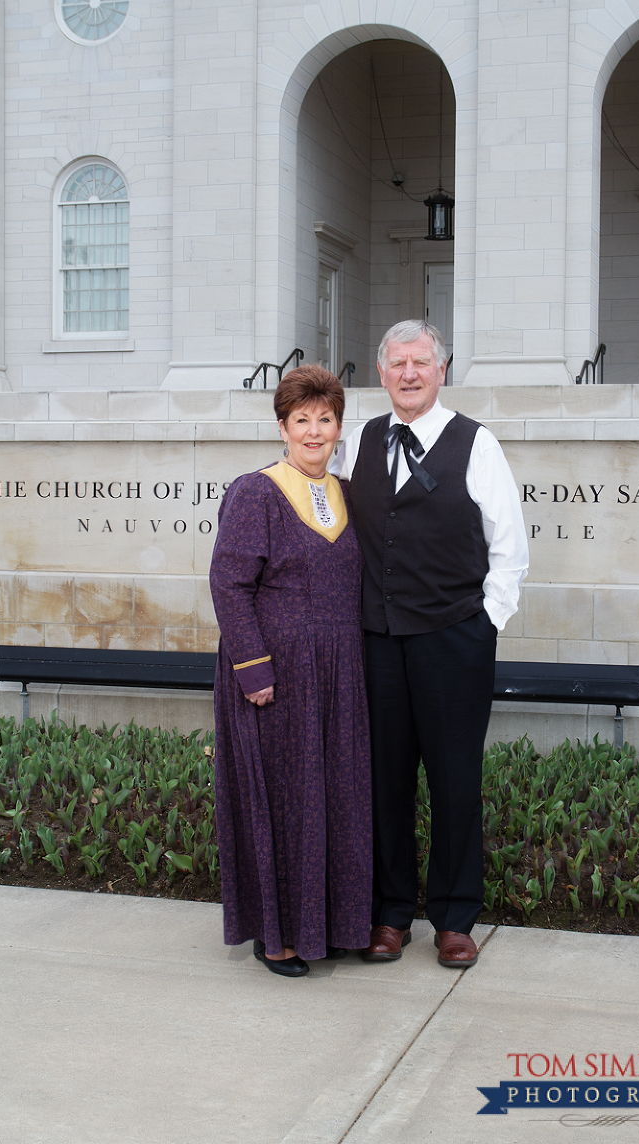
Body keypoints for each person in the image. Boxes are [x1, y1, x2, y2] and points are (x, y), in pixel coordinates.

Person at [332, 320, 528, 969]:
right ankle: (390, 915)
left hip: (453, 640)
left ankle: (453, 916)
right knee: (384, 781)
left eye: (421, 363)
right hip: (378, 642)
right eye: (397, 364)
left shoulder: (476, 443)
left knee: (454, 780)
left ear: (442, 370)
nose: (409, 374)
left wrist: (484, 624)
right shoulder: (360, 439)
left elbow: (509, 546)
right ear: (382, 373)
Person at [210, 365, 372, 978]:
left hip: (340, 676)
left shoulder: (349, 492)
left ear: (337, 427)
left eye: (324, 419)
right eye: (300, 420)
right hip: (274, 676)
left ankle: (331, 927)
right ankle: (275, 934)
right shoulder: (255, 492)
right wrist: (253, 668)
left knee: (336, 797)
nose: (313, 431)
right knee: (282, 800)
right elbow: (228, 583)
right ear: (282, 427)